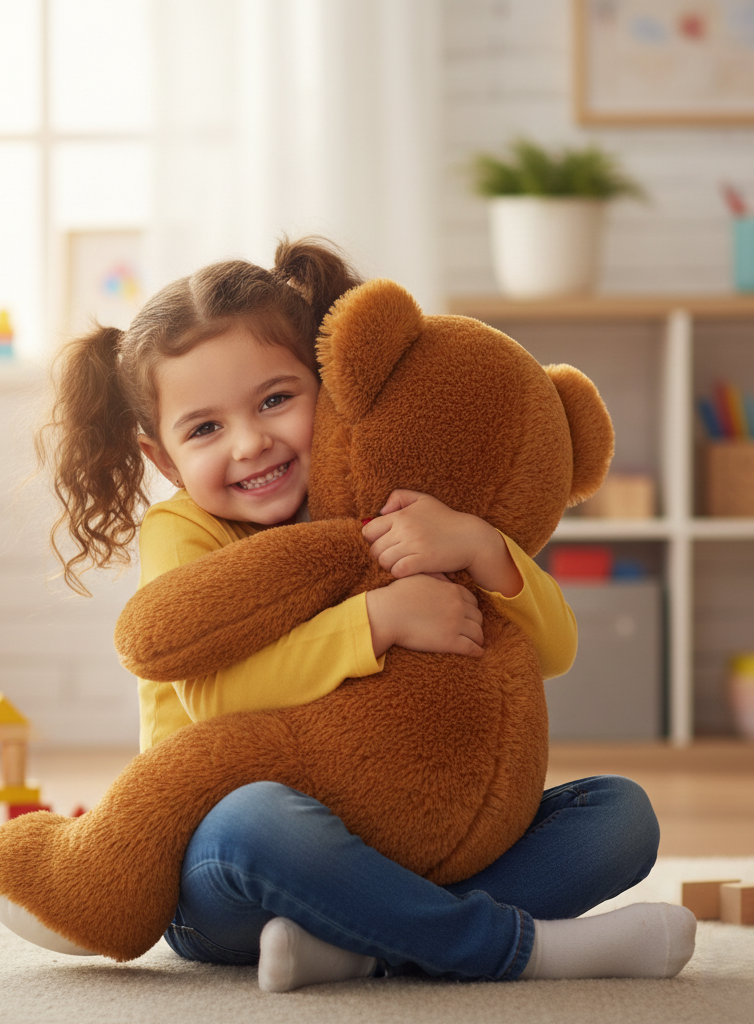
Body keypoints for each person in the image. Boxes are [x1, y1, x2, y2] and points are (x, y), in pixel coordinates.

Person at [38, 236, 695, 992]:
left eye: (276, 400)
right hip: (225, 872)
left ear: (330, 388)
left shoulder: (380, 500)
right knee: (256, 818)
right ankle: (513, 947)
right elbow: (215, 696)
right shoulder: (185, 531)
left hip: (393, 841)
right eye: (206, 429)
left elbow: (556, 649)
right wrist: (377, 621)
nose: (251, 443)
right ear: (163, 460)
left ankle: (366, 944)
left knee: (621, 815)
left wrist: (481, 545)